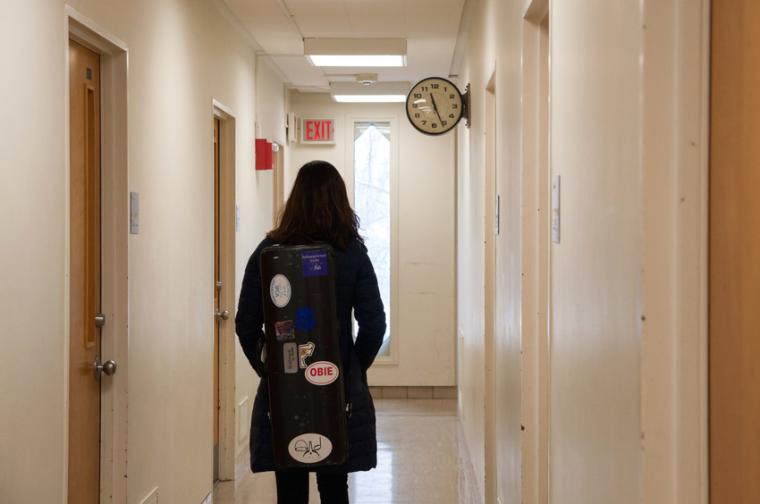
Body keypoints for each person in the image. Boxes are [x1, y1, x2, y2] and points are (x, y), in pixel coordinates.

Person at [235, 160, 387, 504]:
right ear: (339, 200)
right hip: (336, 388)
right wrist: (351, 368)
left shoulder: (268, 253)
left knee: (289, 487)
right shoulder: (352, 253)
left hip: (285, 391)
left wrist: (272, 367)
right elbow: (374, 322)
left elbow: (246, 323)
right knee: (335, 487)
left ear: (295, 200)